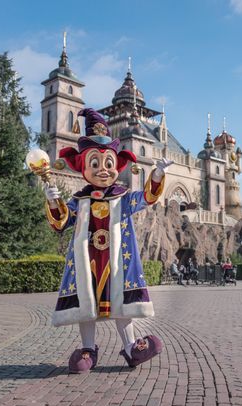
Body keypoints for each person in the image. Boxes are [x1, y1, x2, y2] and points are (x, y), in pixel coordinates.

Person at [43, 108, 172, 373]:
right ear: (82, 167)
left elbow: (146, 198)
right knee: (85, 305)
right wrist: (52, 199)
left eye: (108, 164)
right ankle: (88, 349)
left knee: (121, 304)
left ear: (117, 165)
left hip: (117, 262)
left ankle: (130, 346)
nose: (103, 170)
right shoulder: (79, 201)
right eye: (95, 164)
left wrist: (157, 174)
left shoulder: (122, 198)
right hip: (87, 262)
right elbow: (61, 221)